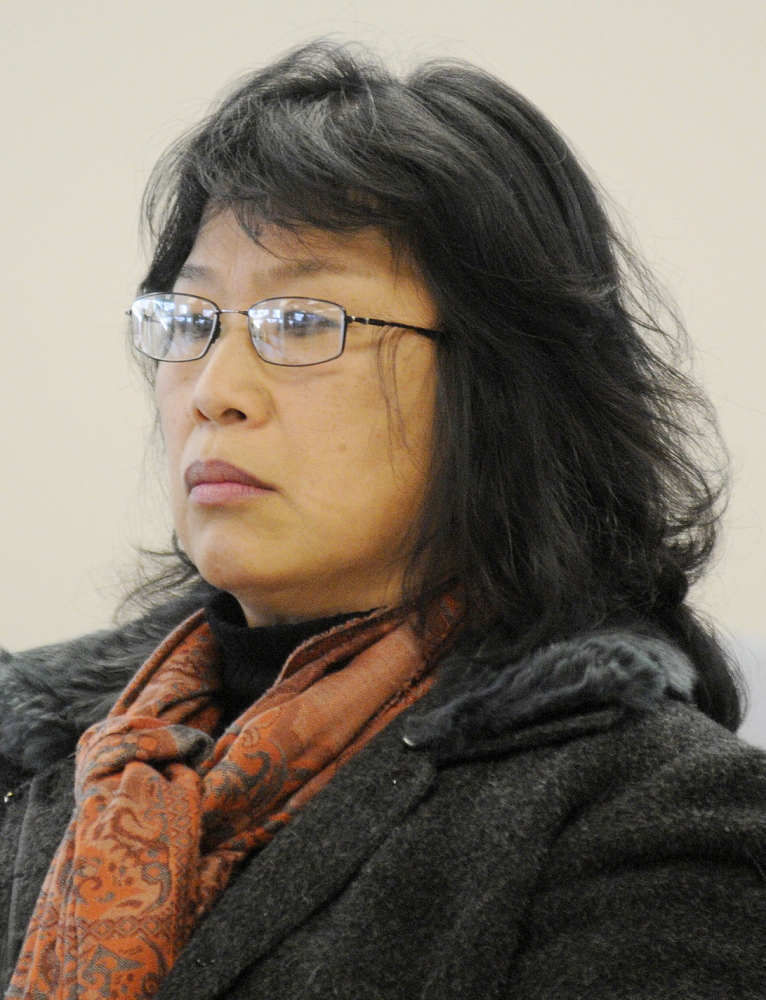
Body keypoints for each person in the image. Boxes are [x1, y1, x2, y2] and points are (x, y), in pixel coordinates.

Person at [1, 38, 765, 1000]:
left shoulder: (656, 820)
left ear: (505, 388)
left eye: (303, 323)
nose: (214, 392)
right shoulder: (37, 750)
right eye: (191, 321)